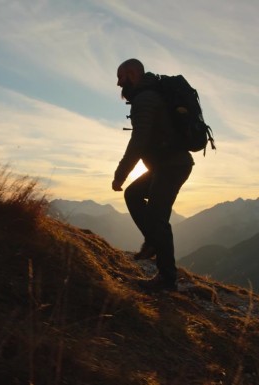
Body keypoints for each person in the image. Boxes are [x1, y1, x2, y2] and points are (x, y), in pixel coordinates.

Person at [111, 58, 194, 291]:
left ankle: (167, 279)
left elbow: (139, 141)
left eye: (120, 77)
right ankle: (152, 243)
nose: (118, 84)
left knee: (158, 217)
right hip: (166, 165)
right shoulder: (149, 94)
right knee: (134, 194)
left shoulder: (144, 99)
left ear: (133, 74)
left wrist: (120, 174)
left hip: (172, 166)